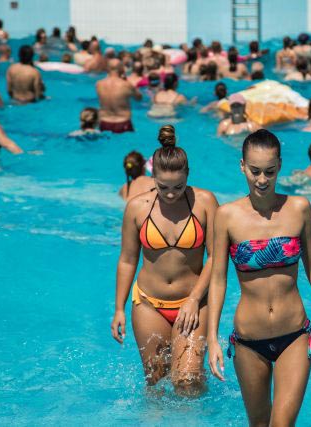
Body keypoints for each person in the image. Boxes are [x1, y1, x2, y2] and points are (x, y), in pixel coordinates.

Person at [206, 129, 311, 426]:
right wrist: (212, 337)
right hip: (248, 341)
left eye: (269, 171)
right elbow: (217, 279)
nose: (262, 179)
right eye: (254, 171)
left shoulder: (299, 208)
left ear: (279, 165)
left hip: (294, 334)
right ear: (242, 166)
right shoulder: (226, 216)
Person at [111, 125, 218, 396]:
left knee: (188, 383)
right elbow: (127, 260)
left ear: (188, 174)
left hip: (192, 303)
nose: (171, 194)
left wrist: (194, 299)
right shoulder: (137, 207)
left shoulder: (205, 202)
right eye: (163, 187)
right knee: (156, 385)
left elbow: (216, 257)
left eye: (178, 186)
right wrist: (119, 308)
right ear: (152, 177)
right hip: (148, 305)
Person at [97, 61, 141, 133]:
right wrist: (127, 81)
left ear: (107, 68)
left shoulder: (99, 84)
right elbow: (139, 98)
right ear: (121, 69)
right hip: (123, 122)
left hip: (104, 122)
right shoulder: (126, 84)